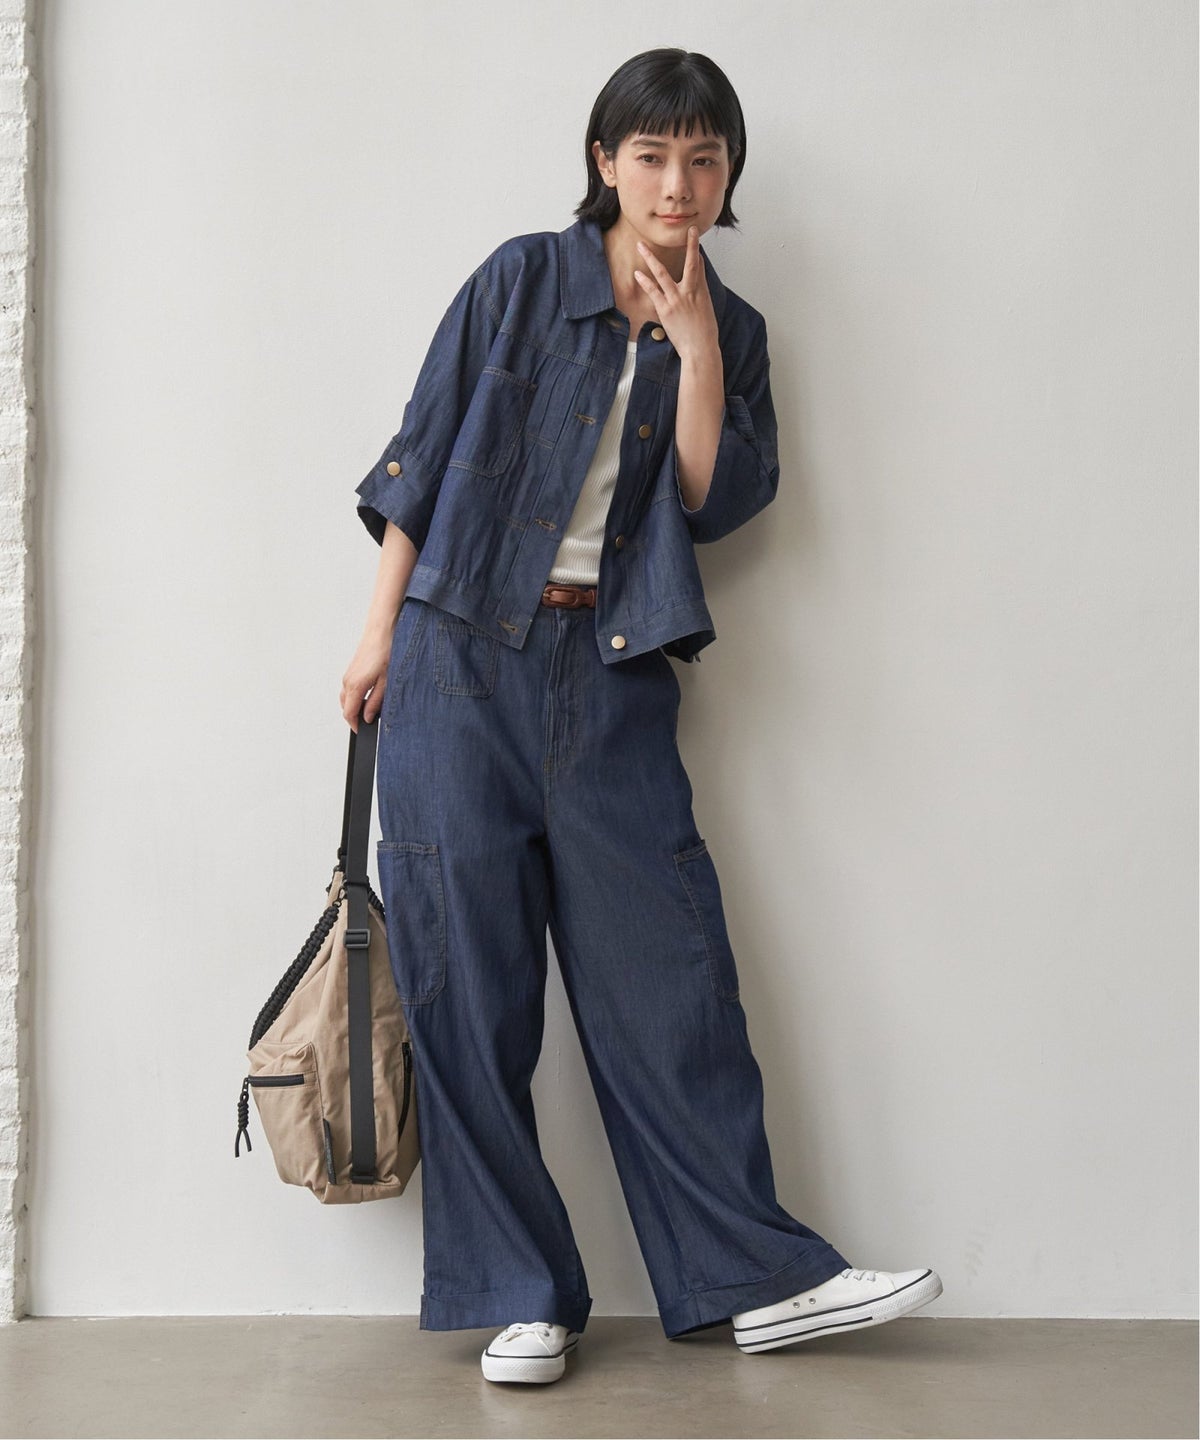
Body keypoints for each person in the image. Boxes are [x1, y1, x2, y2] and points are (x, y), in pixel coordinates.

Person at [340, 47, 942, 1385]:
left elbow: (711, 502)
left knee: (669, 980)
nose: (678, 182)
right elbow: (418, 463)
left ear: (728, 177)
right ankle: (522, 1295)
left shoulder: (740, 329)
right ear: (606, 162)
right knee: (466, 985)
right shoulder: (520, 280)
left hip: (610, 677)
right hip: (456, 662)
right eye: (654, 154)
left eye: (704, 158)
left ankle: (758, 1280)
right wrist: (378, 634)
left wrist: (698, 348)